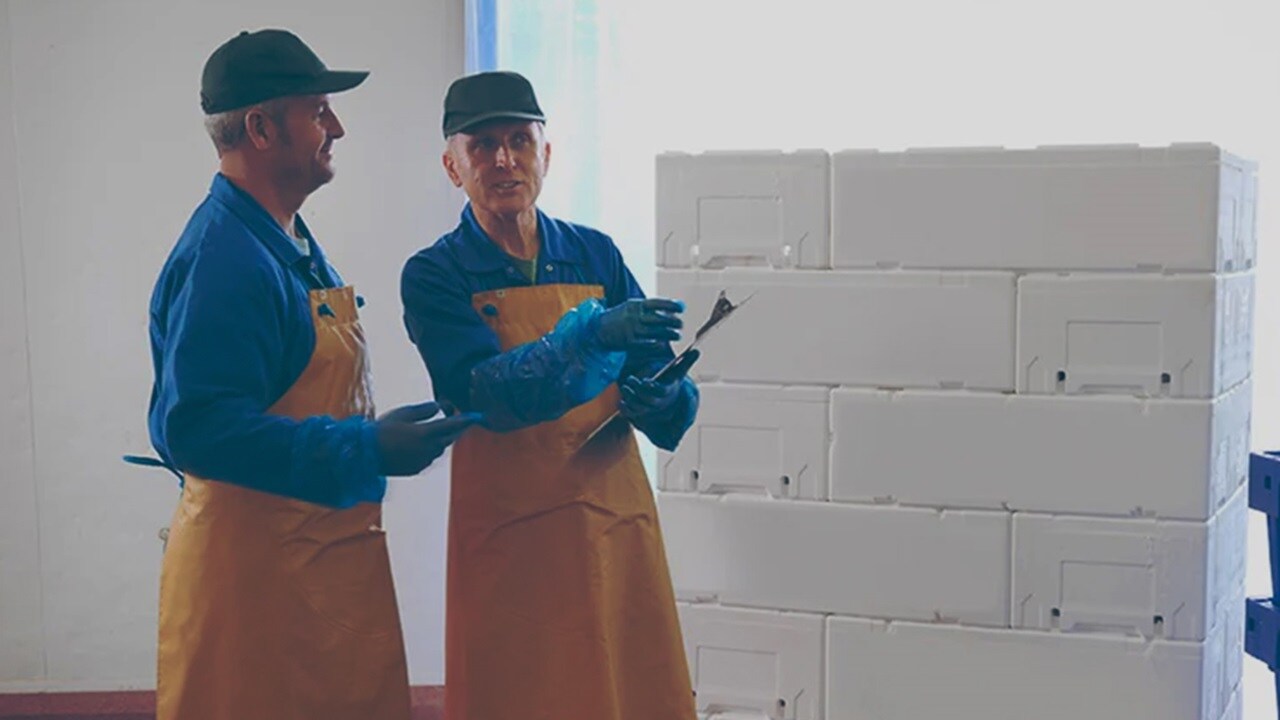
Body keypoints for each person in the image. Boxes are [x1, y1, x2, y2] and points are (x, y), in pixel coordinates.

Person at [139, 29, 477, 720]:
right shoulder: (227, 259)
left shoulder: (284, 239)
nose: (338, 128)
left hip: (306, 571)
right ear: (261, 128)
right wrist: (365, 447)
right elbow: (196, 430)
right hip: (256, 596)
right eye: (318, 111)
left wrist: (371, 434)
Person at [399, 70, 700, 720]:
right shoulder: (436, 275)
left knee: (627, 691)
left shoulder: (595, 254)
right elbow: (482, 395)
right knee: (524, 694)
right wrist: (587, 339)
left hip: (612, 524)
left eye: (519, 140)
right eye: (482, 146)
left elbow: (662, 378)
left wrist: (666, 402)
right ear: (453, 166)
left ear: (547, 154)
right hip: (513, 538)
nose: (503, 159)